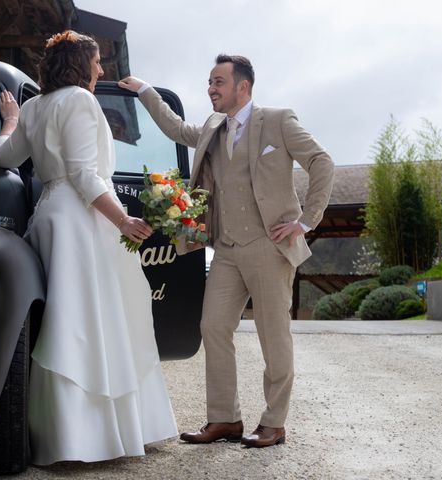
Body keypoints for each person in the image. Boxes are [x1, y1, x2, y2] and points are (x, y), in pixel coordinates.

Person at [119, 54, 334, 448]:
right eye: (209, 82)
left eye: (218, 82)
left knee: (274, 335)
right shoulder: (214, 128)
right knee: (213, 326)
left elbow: (322, 161)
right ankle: (224, 419)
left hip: (270, 247)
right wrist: (146, 92)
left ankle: (274, 423)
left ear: (243, 86)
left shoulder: (278, 120)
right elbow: (177, 128)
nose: (211, 89)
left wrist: (306, 221)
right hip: (227, 250)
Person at [0, 30, 177, 464]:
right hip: (82, 220)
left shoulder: (34, 107)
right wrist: (123, 219)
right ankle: (95, 436)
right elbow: (83, 173)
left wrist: (9, 122)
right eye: (96, 62)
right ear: (80, 64)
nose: (100, 70)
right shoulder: (78, 99)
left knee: (68, 320)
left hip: (50, 217)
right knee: (94, 320)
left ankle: (66, 433)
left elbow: (5, 157)